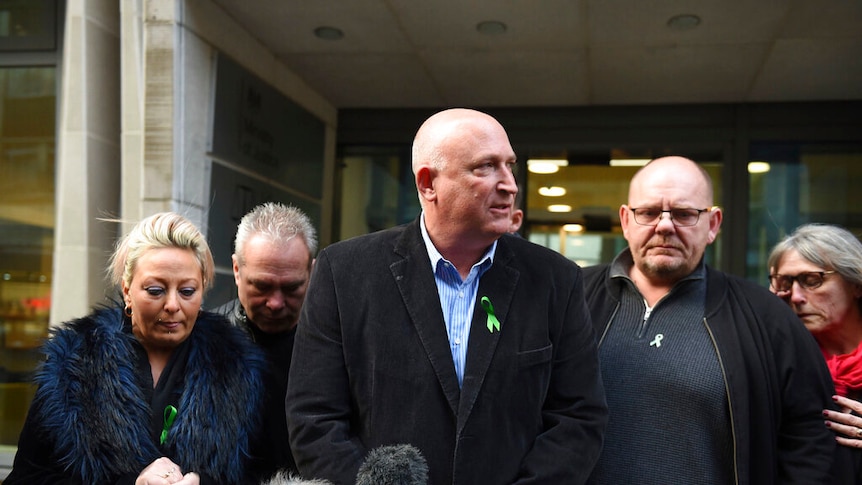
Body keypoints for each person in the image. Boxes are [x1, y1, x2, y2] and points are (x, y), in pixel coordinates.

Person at [286, 108, 607, 484]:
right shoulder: (345, 273)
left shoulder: (556, 280)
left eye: (510, 165)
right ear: (427, 184)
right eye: (486, 167)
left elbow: (578, 417)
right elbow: (314, 419)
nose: (509, 184)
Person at [582, 156, 839, 484]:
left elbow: (811, 441)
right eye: (647, 212)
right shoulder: (569, 300)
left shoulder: (766, 318)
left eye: (684, 214)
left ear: (713, 224)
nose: (664, 226)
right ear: (626, 220)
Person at [5, 212, 266, 485]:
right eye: (155, 290)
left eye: (187, 291)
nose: (173, 305)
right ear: (127, 290)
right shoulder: (73, 365)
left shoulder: (239, 369)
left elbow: (261, 475)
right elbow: (26, 479)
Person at [213, 202, 317, 480]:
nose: (275, 303)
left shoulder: (340, 345)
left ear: (312, 273)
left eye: (292, 287)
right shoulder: (203, 342)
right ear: (236, 270)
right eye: (262, 286)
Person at [768, 223, 862, 480]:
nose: (796, 297)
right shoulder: (776, 363)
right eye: (786, 283)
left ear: (856, 284)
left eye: (813, 281)